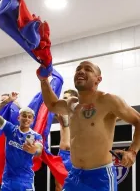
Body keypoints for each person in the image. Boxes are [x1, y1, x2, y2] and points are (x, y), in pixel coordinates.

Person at [37, 61, 140, 191]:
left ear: (98, 79)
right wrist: (44, 80)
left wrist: (132, 151)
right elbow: (52, 105)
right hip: (74, 175)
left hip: (100, 177)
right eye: (78, 69)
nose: (81, 71)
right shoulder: (71, 104)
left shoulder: (108, 100)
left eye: (88, 69)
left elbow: (138, 120)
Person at [0, 92, 43, 191]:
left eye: (29, 117)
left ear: (32, 120)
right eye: (24, 116)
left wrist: (34, 150)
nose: (26, 119)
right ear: (18, 117)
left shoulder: (36, 136)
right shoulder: (10, 129)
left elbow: (39, 150)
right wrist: (8, 101)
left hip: (26, 181)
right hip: (8, 180)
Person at [55, 89, 78, 191]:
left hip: (75, 155)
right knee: (59, 186)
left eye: (65, 98)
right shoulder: (60, 112)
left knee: (76, 186)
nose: (62, 100)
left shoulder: (80, 113)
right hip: (62, 154)